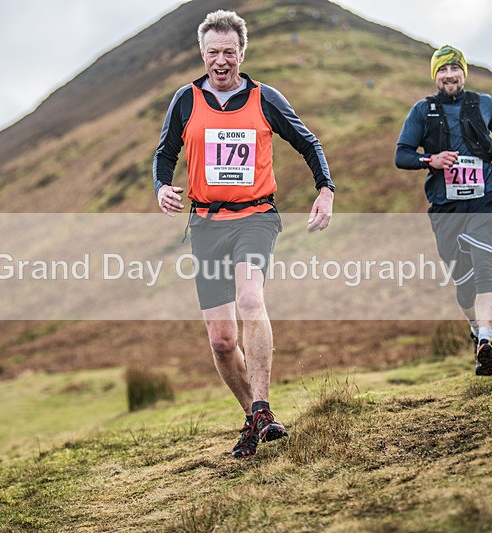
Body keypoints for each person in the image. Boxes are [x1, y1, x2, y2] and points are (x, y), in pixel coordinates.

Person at [153, 10, 334, 458]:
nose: (220, 60)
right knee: (220, 340)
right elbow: (164, 154)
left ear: (241, 53)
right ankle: (255, 418)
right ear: (202, 54)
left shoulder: (264, 98)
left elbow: (308, 142)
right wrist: (161, 188)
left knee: (251, 299)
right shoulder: (185, 101)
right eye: (213, 52)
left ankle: (262, 403)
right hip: (206, 225)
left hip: (256, 217)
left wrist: (325, 190)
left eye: (228, 52)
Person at [395, 44, 492, 376]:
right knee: (464, 283)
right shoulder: (421, 110)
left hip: (484, 201)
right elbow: (402, 154)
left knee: (486, 266)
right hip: (445, 208)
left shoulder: (483, 104)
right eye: (442, 70)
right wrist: (431, 160)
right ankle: (475, 328)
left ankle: (487, 340)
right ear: (435, 76)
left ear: (463, 72)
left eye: (454, 68)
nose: (449, 75)